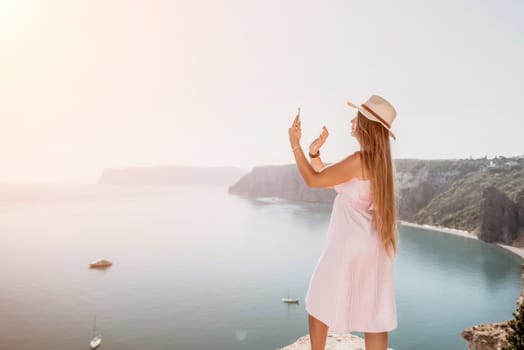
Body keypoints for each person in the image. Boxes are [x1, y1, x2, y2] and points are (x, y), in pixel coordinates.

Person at [288, 95, 399, 350]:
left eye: (356, 117)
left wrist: (295, 145)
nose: (351, 120)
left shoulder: (359, 159)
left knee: (319, 300)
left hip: (348, 242)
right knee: (375, 313)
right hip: (374, 242)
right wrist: (315, 152)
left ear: (365, 125)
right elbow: (334, 181)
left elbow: (313, 180)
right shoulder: (380, 162)